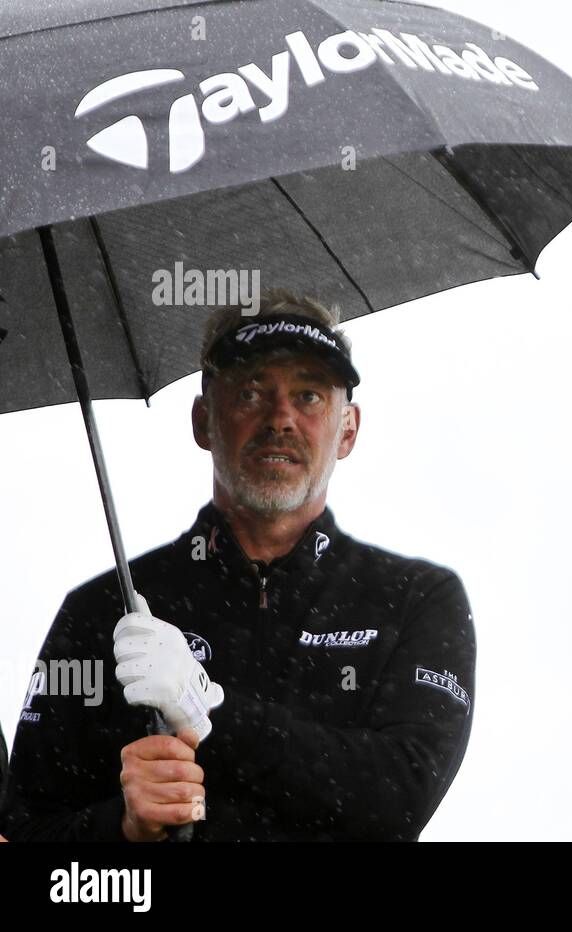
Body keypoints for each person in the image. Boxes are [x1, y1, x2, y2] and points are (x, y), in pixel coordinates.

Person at [0, 289, 475, 841]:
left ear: (348, 429)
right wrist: (123, 827)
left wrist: (207, 710)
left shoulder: (416, 599)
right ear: (204, 420)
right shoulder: (104, 609)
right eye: (250, 391)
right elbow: (23, 833)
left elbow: (400, 797)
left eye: (309, 396)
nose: (281, 419)